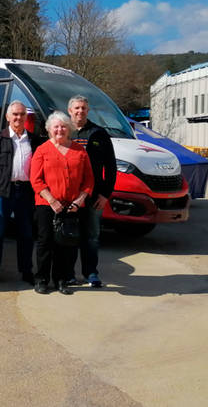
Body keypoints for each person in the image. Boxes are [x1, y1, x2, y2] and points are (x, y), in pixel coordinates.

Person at [30, 111, 94, 295]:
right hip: (46, 204)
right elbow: (36, 179)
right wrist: (51, 200)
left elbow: (89, 180)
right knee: (45, 242)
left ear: (69, 129)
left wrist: (79, 200)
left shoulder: (79, 150)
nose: (60, 129)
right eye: (56, 126)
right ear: (49, 129)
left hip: (71, 206)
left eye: (63, 126)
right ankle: (41, 279)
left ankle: (61, 280)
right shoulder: (42, 150)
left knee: (65, 244)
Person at [0, 100, 41, 287]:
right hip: (1, 193)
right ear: (7, 117)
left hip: (26, 192)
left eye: (22, 114)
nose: (18, 118)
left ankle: (26, 271)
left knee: (26, 234)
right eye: (15, 114)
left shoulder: (34, 140)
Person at [67, 95, 117, 288]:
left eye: (84, 108)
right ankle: (69, 274)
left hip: (94, 196)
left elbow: (111, 167)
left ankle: (91, 273)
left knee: (91, 237)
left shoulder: (99, 133)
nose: (80, 111)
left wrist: (105, 195)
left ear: (88, 111)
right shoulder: (63, 131)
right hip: (69, 196)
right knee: (69, 235)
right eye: (77, 108)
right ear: (70, 110)